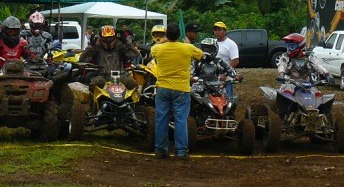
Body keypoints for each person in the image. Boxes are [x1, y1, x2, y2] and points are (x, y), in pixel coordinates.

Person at [150, 22, 203, 159]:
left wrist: (164, 40)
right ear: (179, 35)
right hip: (181, 89)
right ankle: (181, 151)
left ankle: (160, 149)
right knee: (181, 120)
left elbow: (153, 48)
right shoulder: (187, 48)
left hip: (163, 87)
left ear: (167, 35)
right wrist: (186, 43)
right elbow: (201, 55)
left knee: (161, 119)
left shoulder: (158, 49)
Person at [79, 25, 140, 90]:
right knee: (93, 86)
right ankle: (93, 100)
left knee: (133, 84)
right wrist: (90, 46)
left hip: (120, 75)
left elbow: (136, 54)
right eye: (105, 38)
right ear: (101, 37)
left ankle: (132, 100)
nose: (108, 40)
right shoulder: (96, 47)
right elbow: (82, 59)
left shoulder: (120, 46)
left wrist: (126, 42)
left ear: (115, 37)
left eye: (110, 37)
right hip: (103, 75)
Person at [212, 21, 241, 98]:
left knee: (227, 100)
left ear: (224, 31)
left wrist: (225, 74)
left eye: (219, 30)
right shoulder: (212, 43)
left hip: (226, 80)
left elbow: (235, 61)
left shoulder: (231, 44)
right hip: (212, 79)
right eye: (215, 30)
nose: (217, 32)